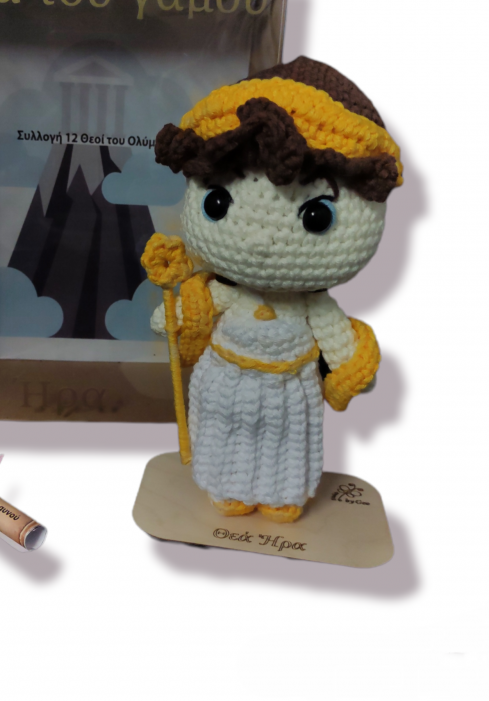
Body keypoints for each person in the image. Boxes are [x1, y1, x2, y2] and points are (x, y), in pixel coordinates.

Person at [149, 57, 401, 522]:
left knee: (286, 442)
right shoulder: (227, 292)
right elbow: (190, 312)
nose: (259, 242)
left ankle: (283, 494)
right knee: (223, 434)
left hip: (289, 391)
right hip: (224, 383)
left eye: (316, 216)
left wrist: (350, 368)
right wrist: (175, 311)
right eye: (219, 202)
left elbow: (340, 345)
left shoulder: (312, 306)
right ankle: (227, 486)